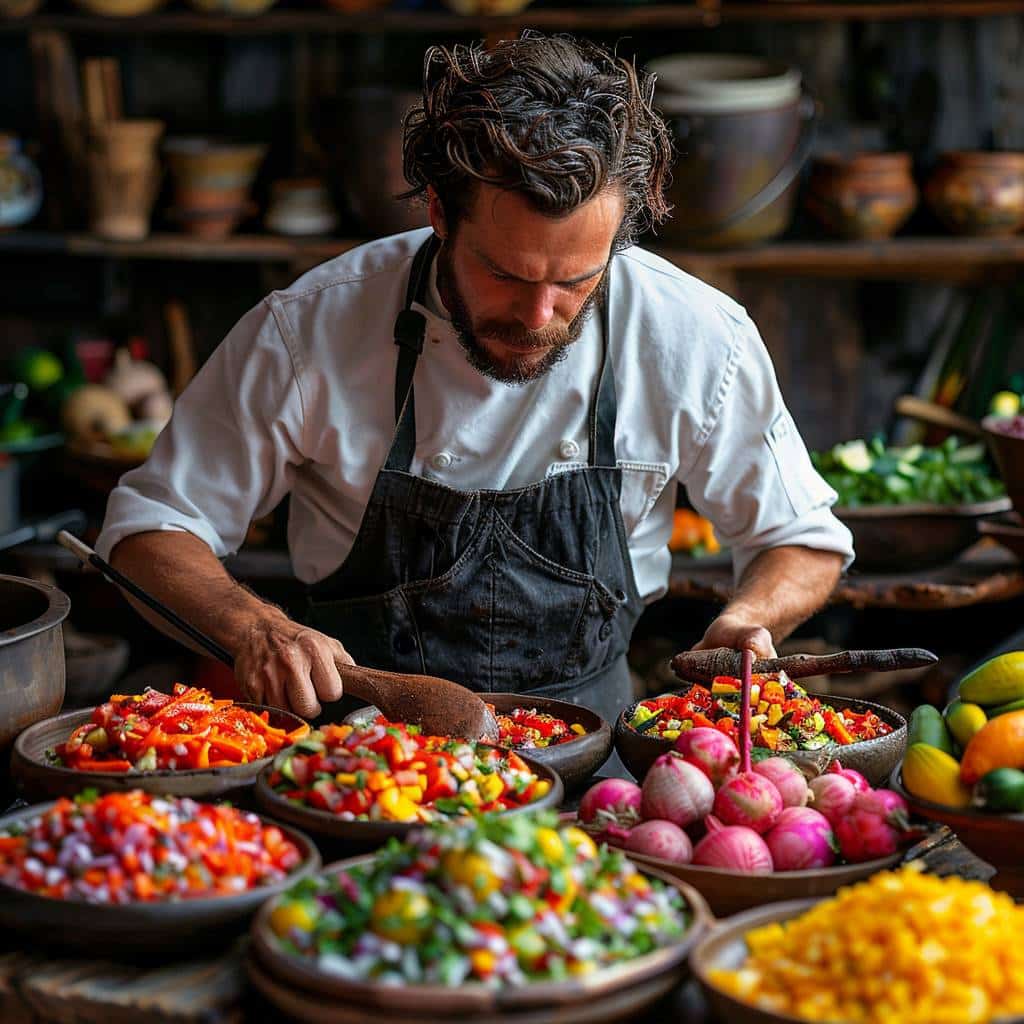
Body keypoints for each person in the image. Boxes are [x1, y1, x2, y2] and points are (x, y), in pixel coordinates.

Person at [97, 33, 853, 727]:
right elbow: (147, 532)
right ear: (437, 213)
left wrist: (749, 617)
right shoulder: (311, 330)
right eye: (504, 274)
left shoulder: (693, 336)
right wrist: (254, 627)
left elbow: (804, 539)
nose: (537, 314)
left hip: (594, 759)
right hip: (361, 756)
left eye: (576, 281)